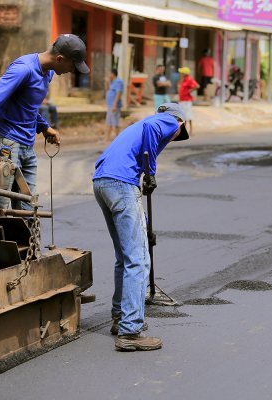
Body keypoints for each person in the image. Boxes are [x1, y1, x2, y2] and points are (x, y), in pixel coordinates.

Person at [0, 34, 89, 210]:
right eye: (72, 65)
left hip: (27, 146)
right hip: (5, 142)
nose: (72, 71)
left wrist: (44, 127)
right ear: (60, 58)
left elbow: (27, 105)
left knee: (28, 207)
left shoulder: (49, 72)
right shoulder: (23, 69)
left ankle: (23, 238)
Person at [92, 103, 189, 351]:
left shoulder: (134, 129)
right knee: (138, 259)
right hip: (122, 184)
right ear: (180, 123)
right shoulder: (167, 121)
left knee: (124, 256)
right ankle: (130, 331)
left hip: (103, 182)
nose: (177, 136)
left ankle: (119, 317)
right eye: (181, 132)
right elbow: (150, 128)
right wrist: (151, 172)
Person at [178, 67, 199, 135]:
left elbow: (197, 86)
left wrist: (189, 91)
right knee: (183, 116)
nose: (180, 74)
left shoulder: (189, 79)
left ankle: (191, 131)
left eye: (181, 73)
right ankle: (185, 130)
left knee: (188, 115)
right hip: (182, 100)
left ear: (184, 73)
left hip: (186, 101)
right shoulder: (183, 80)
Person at [105, 68, 123, 142]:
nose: (108, 75)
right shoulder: (112, 82)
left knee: (115, 122)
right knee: (109, 122)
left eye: (109, 73)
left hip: (114, 106)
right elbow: (109, 90)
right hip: (110, 105)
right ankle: (106, 139)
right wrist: (107, 82)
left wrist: (115, 105)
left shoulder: (119, 81)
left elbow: (119, 93)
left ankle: (118, 139)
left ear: (113, 74)